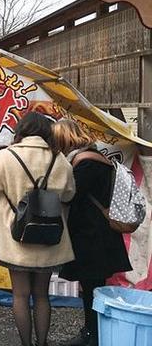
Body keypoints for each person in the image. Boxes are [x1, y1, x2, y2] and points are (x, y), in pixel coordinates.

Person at [0, 112, 75, 346]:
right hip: (50, 237)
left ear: (21, 131)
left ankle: (26, 344)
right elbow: (69, 194)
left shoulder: (7, 157)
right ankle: (42, 343)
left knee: (20, 294)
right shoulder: (59, 160)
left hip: (16, 238)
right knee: (42, 295)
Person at [53, 119, 132, 346]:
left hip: (92, 235)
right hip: (100, 234)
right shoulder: (97, 159)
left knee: (92, 287)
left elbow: (71, 196)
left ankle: (93, 334)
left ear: (65, 139)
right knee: (92, 286)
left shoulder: (85, 164)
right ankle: (93, 332)